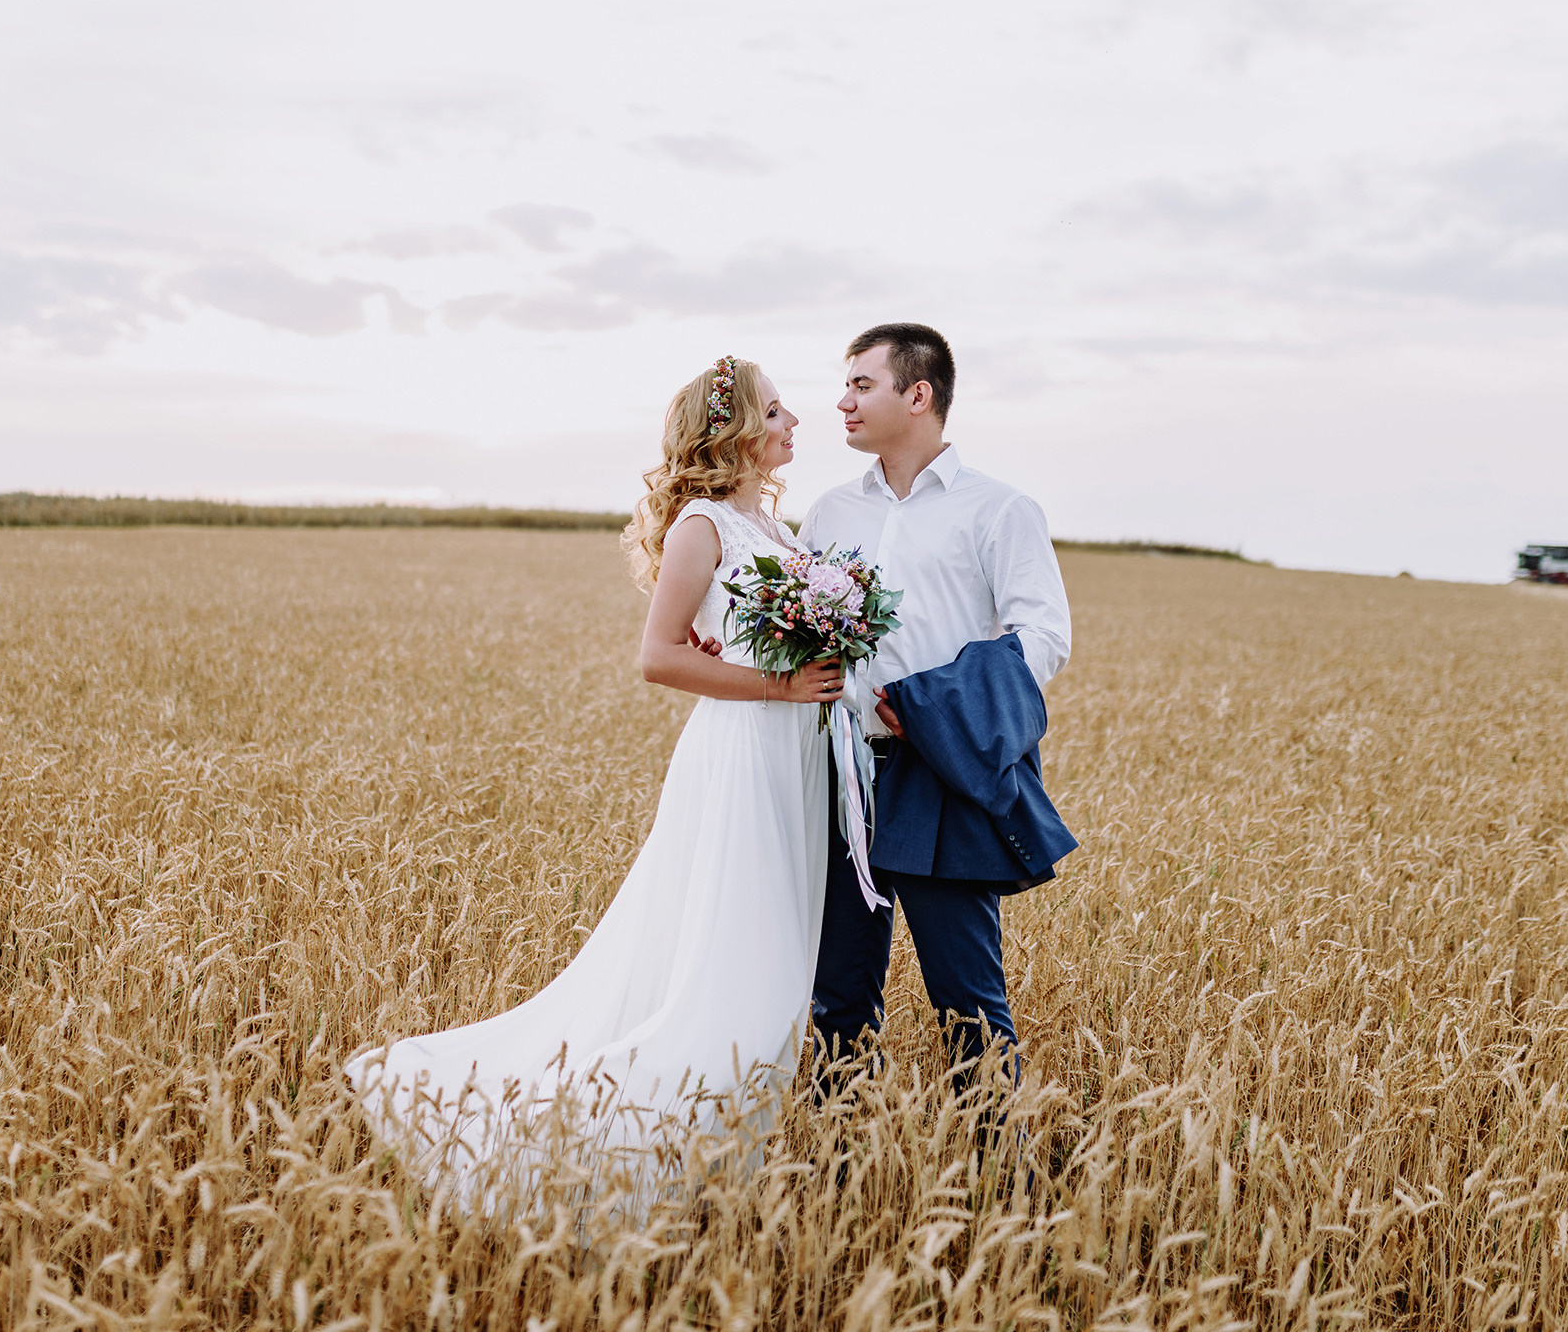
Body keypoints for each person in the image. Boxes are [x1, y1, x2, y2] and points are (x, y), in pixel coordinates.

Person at [346, 357, 841, 1182]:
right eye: (779, 410)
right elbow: (657, 656)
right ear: (737, 431)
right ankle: (628, 1151)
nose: (796, 422)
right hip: (743, 752)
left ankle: (722, 1156)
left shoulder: (781, 534)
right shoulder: (702, 526)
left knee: (783, 962)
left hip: (793, 752)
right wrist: (780, 685)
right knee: (737, 962)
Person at [801, 323, 1074, 1092]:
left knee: (968, 1005)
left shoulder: (1000, 509)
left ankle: (996, 1189)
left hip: (941, 771)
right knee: (837, 997)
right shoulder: (827, 513)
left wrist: (925, 703)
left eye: (862, 384)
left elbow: (1044, 636)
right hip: (839, 770)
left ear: (918, 395)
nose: (843, 401)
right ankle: (840, 1173)